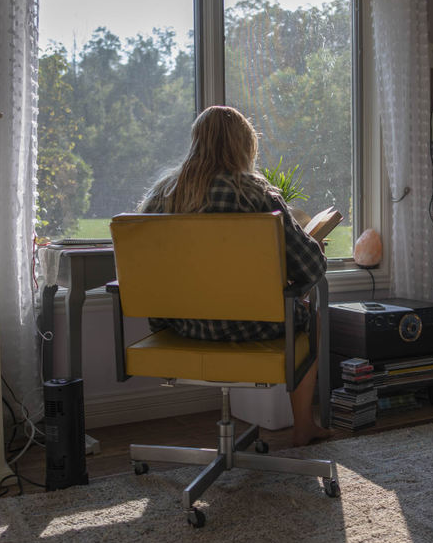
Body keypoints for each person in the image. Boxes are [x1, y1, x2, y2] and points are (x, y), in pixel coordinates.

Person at [138, 105, 332, 447]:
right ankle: (303, 426)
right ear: (244, 147)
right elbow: (312, 269)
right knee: (311, 317)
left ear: (196, 142)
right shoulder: (257, 195)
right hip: (252, 326)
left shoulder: (161, 196)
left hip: (182, 328)